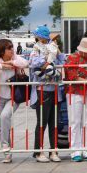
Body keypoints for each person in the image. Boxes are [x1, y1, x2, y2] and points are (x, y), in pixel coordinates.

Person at [0, 38, 28, 163]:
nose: (11, 50)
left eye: (12, 47)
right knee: (2, 124)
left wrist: (13, 62)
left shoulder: (15, 58)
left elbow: (25, 63)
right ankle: (7, 152)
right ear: (1, 51)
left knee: (5, 117)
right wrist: (2, 66)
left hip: (13, 97)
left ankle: (5, 146)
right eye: (9, 48)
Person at [28, 26, 65, 163]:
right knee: (42, 122)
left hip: (55, 89)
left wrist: (56, 51)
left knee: (54, 123)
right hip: (42, 90)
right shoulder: (36, 48)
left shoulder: (53, 47)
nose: (44, 38)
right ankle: (38, 151)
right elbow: (33, 63)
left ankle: (53, 151)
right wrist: (48, 60)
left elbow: (62, 61)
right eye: (42, 36)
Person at [63, 37, 87, 162]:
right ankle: (75, 151)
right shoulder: (72, 58)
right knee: (75, 122)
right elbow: (72, 77)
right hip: (75, 92)